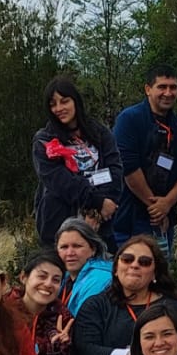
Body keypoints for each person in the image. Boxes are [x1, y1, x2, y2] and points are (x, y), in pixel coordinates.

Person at [32, 77, 123, 247]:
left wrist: (97, 213)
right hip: (59, 230)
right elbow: (59, 181)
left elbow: (115, 171)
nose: (59, 108)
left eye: (64, 101)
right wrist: (96, 202)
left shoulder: (100, 132)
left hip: (100, 227)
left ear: (75, 101)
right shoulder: (44, 140)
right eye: (53, 104)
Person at [112, 65, 177, 255]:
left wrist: (167, 204)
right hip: (130, 218)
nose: (168, 93)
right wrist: (155, 207)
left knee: (160, 269)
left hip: (164, 220)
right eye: (162, 87)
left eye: (173, 87)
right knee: (129, 267)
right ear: (148, 89)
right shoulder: (129, 119)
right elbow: (128, 167)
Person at [55, 218, 113, 317]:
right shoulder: (64, 277)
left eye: (77, 246)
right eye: (64, 247)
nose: (70, 253)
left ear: (93, 249)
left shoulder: (101, 279)